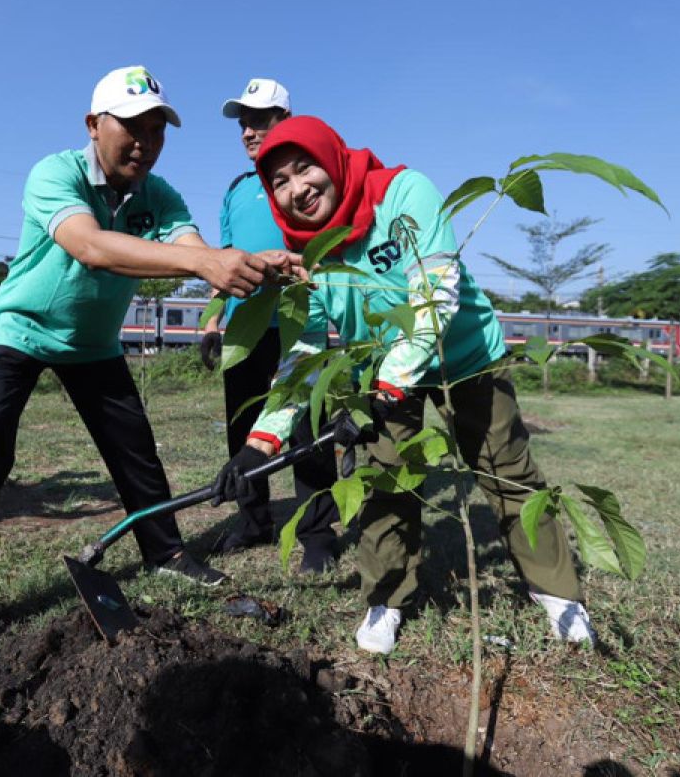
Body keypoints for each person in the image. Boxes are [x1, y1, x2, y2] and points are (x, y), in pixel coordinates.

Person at [0, 66, 305, 670]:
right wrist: (207, 264)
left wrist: (236, 261)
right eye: (131, 127)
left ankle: (166, 554)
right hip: (20, 333)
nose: (145, 142)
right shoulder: (56, 174)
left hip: (93, 345)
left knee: (136, 451)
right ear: (93, 126)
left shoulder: (159, 195)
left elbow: (192, 248)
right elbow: (91, 246)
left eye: (157, 130)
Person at [212, 116, 593, 655]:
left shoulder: (403, 192)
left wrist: (382, 388)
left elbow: (436, 295)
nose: (297, 189)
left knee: (506, 469)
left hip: (461, 353)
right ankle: (387, 598)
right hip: (384, 370)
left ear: (333, 158)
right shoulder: (311, 255)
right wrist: (260, 444)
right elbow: (308, 351)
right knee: (384, 477)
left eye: (304, 169)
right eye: (279, 183)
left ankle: (556, 591)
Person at [200, 79, 339, 573]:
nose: (247, 131)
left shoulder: (303, 184)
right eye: (242, 123)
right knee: (243, 425)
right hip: (244, 327)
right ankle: (253, 518)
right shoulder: (237, 191)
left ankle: (318, 533)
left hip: (300, 321)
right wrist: (212, 322)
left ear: (286, 118)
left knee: (307, 429)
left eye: (258, 119)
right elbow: (223, 259)